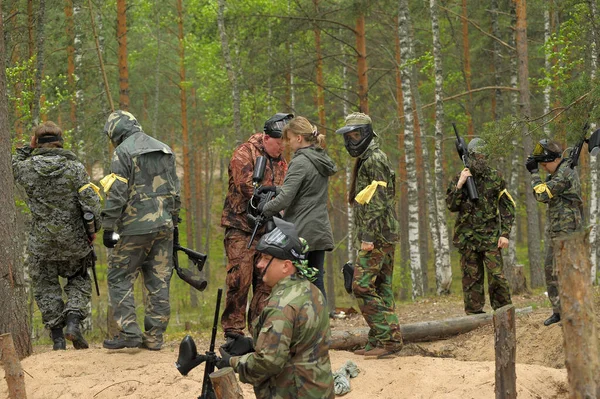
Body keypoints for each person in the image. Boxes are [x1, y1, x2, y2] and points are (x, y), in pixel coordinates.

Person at [217, 217, 335, 399]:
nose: (259, 264)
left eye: (266, 258)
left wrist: (232, 362)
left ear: (286, 266)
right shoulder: (311, 291)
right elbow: (298, 344)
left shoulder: (282, 305)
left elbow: (268, 362)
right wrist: (253, 344)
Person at [12, 121, 101, 350]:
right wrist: (94, 231)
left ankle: (58, 338)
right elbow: (90, 203)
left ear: (36, 142)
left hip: (42, 242)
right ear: (60, 141)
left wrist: (28, 147)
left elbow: (13, 163)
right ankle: (73, 322)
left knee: (45, 285)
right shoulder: (75, 169)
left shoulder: (26, 168)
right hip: (74, 241)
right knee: (79, 280)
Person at [100, 110, 181, 350]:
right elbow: (174, 191)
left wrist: (108, 226)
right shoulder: (164, 149)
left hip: (135, 227)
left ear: (117, 132)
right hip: (164, 225)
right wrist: (174, 221)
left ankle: (129, 332)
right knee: (159, 280)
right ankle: (155, 337)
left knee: (118, 276)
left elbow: (117, 193)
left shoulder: (123, 152)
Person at [335, 112, 403, 358]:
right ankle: (381, 340)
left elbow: (379, 200)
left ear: (365, 134)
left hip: (378, 234)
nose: (352, 141)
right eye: (349, 136)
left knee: (361, 285)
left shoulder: (375, 158)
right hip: (383, 233)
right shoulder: (369, 158)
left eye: (356, 135)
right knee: (381, 286)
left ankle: (389, 339)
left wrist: (368, 235)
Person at [220, 113, 291, 337]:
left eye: (285, 144)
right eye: (279, 143)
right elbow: (246, 185)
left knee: (266, 282)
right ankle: (233, 330)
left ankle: (261, 331)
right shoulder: (245, 152)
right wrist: (271, 198)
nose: (281, 148)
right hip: (241, 227)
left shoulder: (282, 163)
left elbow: (287, 190)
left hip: (268, 229)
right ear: (267, 138)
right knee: (240, 278)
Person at [259, 116, 337, 299]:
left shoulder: (300, 161)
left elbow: (286, 198)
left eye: (289, 138)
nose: (287, 143)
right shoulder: (319, 158)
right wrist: (275, 189)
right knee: (316, 280)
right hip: (319, 229)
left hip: (302, 231)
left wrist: (265, 209)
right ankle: (321, 325)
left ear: (299, 138)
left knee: (299, 282)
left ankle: (304, 324)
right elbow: (305, 190)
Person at [446, 137, 515, 316]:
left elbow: (507, 206)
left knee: (497, 276)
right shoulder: (459, 177)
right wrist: (460, 184)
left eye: (484, 156)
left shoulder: (495, 177)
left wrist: (505, 233)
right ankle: (474, 317)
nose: (481, 159)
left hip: (491, 237)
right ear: (470, 156)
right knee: (471, 280)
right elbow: (451, 205)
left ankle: (504, 313)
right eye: (478, 156)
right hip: (467, 238)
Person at [526, 139, 583, 326]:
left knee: (566, 272)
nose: (543, 168)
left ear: (554, 159)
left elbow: (542, 194)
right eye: (540, 166)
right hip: (557, 229)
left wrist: (534, 174)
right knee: (551, 270)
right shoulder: (558, 172)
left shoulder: (565, 174)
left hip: (567, 231)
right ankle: (558, 311)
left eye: (544, 164)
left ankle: (573, 311)